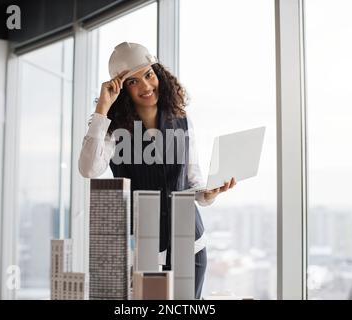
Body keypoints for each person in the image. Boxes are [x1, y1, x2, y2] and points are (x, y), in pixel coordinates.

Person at [78, 42, 237, 299]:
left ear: (158, 74)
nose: (145, 86)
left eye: (149, 75)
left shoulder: (182, 119)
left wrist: (208, 195)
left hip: (190, 244)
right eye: (132, 81)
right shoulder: (113, 129)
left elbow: (192, 181)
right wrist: (102, 109)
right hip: (145, 248)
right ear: (120, 87)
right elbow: (88, 169)